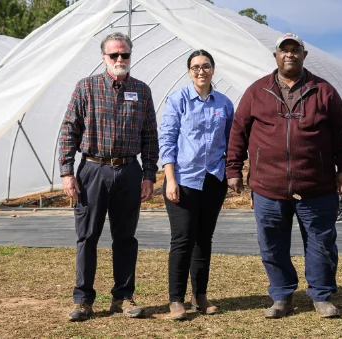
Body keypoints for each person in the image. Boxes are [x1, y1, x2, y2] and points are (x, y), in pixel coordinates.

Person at [226, 33, 342, 319]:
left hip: (316, 186)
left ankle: (321, 296)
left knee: (321, 242)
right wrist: (233, 168)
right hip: (268, 186)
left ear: (304, 56)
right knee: (272, 243)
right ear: (276, 56)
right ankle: (282, 296)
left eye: (296, 50)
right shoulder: (257, 91)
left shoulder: (323, 90)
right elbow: (238, 131)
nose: (290, 55)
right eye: (284, 50)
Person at [57, 32, 156, 322]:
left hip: (128, 170)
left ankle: (123, 297)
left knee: (125, 237)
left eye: (124, 54)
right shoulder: (86, 88)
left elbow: (150, 135)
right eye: (114, 55)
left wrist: (149, 173)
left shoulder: (142, 90)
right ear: (103, 58)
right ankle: (83, 300)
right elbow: (69, 131)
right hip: (92, 170)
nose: (120, 60)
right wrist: (66, 172)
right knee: (87, 236)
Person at [157, 50, 234, 321]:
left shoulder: (224, 103)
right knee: (183, 239)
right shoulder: (178, 100)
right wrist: (170, 179)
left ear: (213, 69)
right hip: (184, 180)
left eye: (206, 66)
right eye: (195, 67)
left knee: (204, 239)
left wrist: (230, 173)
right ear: (189, 71)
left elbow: (230, 141)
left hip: (213, 178)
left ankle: (200, 295)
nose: (201, 71)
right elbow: (167, 139)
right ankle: (176, 299)